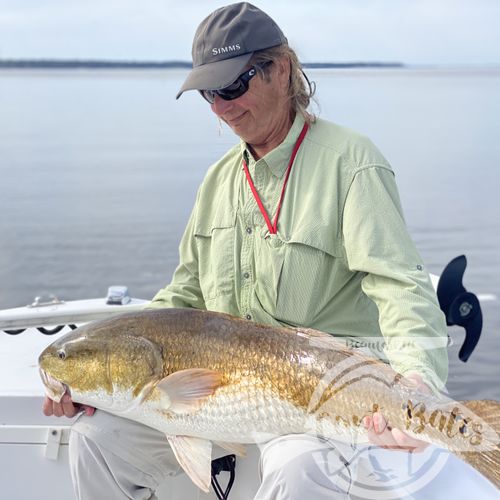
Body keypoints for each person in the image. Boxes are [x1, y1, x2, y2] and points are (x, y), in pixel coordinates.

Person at [42, 3, 498, 499]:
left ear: (281, 69)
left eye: (233, 86)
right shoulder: (218, 180)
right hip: (217, 394)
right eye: (209, 94)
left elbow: (401, 286)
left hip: (321, 391)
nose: (221, 107)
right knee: (95, 440)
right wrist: (104, 381)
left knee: (297, 467)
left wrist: (416, 384)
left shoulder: (352, 162)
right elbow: (186, 293)